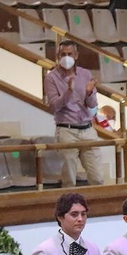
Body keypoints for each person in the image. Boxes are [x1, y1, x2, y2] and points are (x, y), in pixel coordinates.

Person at [43, 40, 107, 187]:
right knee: (69, 180)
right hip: (67, 130)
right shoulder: (51, 77)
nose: (66, 57)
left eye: (69, 54)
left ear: (76, 55)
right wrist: (69, 92)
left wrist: (89, 93)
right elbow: (54, 106)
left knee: (97, 177)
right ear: (58, 56)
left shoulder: (85, 74)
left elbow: (92, 104)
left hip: (87, 128)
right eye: (63, 54)